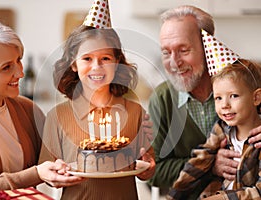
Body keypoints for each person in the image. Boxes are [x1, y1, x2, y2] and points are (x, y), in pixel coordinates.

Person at [148, 5, 261, 198]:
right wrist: (209, 165)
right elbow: (154, 172)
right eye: (166, 53)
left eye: (183, 50)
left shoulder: (247, 84)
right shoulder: (162, 99)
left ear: (205, 47)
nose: (174, 62)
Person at [0, 20, 84, 195]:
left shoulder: (26, 109)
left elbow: (59, 159)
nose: (20, 73)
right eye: (6, 67)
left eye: (18, 61)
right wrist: (36, 174)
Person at [38, 24, 156, 200]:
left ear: (117, 63)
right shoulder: (57, 116)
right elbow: (47, 172)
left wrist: (148, 168)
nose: (96, 67)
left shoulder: (135, 112)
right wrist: (55, 174)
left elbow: (146, 169)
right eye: (87, 58)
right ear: (73, 64)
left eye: (106, 58)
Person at [167, 58, 261, 199]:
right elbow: (198, 163)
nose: (224, 105)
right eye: (218, 98)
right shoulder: (221, 129)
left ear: (256, 98)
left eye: (234, 96)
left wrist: (222, 198)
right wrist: (174, 196)